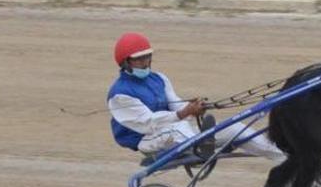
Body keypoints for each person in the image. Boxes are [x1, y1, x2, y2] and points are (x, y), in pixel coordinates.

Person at [106, 33, 285, 164]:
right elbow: (149, 123)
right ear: (125, 63)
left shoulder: (159, 78)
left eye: (147, 57)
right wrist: (185, 113)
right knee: (176, 129)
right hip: (148, 140)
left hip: (182, 131)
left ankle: (284, 157)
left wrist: (194, 107)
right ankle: (202, 144)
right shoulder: (119, 95)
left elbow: (174, 103)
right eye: (139, 59)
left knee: (235, 129)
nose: (145, 62)